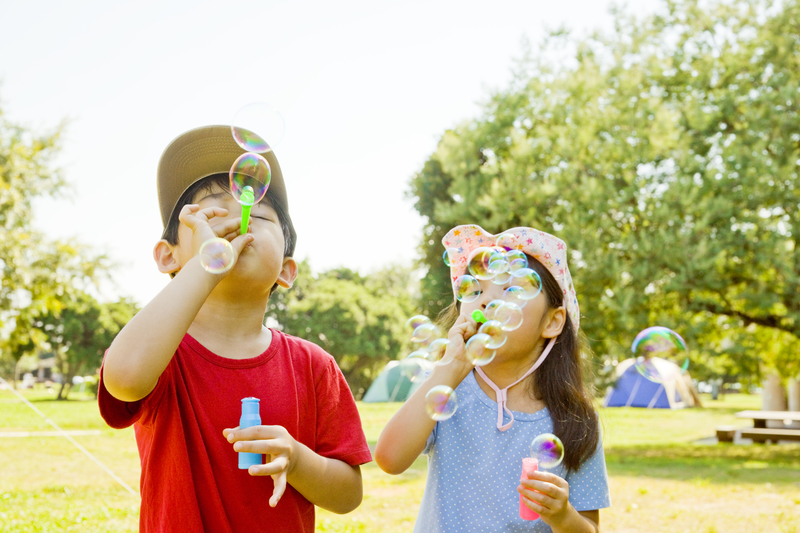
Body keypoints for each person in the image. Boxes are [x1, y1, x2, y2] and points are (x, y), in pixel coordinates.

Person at [99, 125, 372, 533]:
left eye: (258, 214)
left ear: (285, 268)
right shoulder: (162, 352)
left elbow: (348, 494)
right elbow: (123, 379)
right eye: (210, 213)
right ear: (168, 256)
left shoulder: (314, 364)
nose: (237, 217)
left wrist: (297, 459)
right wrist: (208, 264)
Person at [375, 224, 610, 532]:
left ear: (552, 322)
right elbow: (389, 459)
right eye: (476, 290)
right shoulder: (447, 390)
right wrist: (452, 366)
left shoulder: (575, 419)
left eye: (510, 289)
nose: (487, 301)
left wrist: (563, 517)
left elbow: (589, 528)